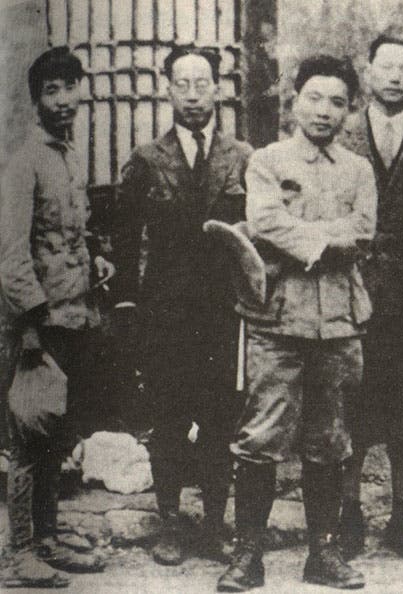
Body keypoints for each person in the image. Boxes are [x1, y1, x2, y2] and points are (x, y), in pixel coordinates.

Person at [216, 55, 376, 591]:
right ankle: (248, 556)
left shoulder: (359, 170)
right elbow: (264, 222)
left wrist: (303, 236)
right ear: (294, 101)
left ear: (349, 110)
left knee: (330, 440)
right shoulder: (266, 161)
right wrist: (326, 239)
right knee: (260, 437)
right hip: (277, 321)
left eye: (337, 102)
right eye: (315, 97)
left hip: (339, 324)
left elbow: (364, 232)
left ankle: (322, 554)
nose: (325, 111)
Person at [113, 47, 253, 566]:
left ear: (218, 88)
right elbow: (125, 239)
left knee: (220, 419)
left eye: (202, 83)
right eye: (182, 84)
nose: (193, 95)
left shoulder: (243, 158)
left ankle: (214, 525)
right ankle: (170, 523)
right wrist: (129, 305)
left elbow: (257, 238)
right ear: (168, 90)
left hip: (223, 312)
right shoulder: (147, 159)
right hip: (166, 313)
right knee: (169, 418)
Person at [0, 47, 109, 588]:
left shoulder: (67, 154)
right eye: (52, 91)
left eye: (70, 87)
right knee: (28, 436)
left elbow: (70, 233)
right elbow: (11, 256)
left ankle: (45, 539)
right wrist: (31, 325)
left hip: (74, 317)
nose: (64, 100)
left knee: (56, 435)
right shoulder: (25, 161)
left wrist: (96, 258)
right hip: (38, 326)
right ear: (36, 99)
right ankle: (19, 553)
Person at [337, 33, 403, 561]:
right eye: (387, 67)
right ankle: (348, 513)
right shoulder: (341, 131)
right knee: (350, 403)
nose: (396, 77)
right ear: (369, 71)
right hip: (349, 286)